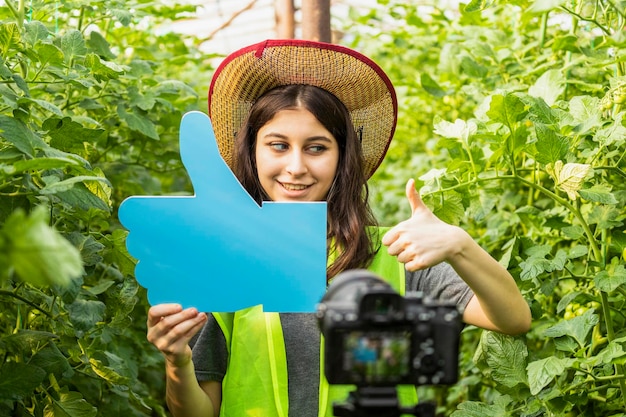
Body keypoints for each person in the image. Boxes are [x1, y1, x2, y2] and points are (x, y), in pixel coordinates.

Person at [146, 39, 531, 417]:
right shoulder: (220, 262)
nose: (296, 167)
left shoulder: (394, 252)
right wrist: (177, 361)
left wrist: (459, 245)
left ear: (342, 157)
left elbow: (512, 319)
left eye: (316, 148)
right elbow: (198, 412)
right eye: (278, 145)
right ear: (252, 151)